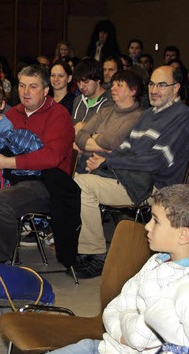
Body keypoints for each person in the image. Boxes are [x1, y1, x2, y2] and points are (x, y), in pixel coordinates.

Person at [9, 184, 189, 354]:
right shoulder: (157, 261)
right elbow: (114, 307)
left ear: (183, 234)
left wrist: (126, 320)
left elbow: (137, 337)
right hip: (108, 344)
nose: (147, 226)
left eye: (155, 220)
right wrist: (124, 325)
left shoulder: (181, 283)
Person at [72, 65, 189, 278]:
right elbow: (125, 149)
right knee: (78, 178)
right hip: (130, 178)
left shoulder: (181, 115)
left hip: (155, 187)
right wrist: (104, 160)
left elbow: (157, 161)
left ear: (176, 88)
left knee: (82, 185)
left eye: (162, 85)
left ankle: (95, 254)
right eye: (152, 84)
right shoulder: (148, 115)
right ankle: (80, 246)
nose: (154, 89)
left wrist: (109, 162)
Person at [0, 64, 75, 265]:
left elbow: (51, 157)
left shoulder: (58, 115)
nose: (25, 92)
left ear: (46, 90)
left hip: (45, 182)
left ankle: (4, 259)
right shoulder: (11, 114)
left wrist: (8, 161)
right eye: (22, 85)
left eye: (33, 86)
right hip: (7, 176)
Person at [74, 70, 143, 173]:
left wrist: (94, 136)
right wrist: (104, 149)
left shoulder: (138, 117)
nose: (112, 88)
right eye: (113, 84)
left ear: (133, 90)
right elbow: (80, 136)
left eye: (119, 85)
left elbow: (113, 141)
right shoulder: (105, 111)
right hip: (86, 162)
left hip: (110, 170)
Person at [72, 57, 114, 131]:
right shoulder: (77, 100)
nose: (81, 86)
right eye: (78, 82)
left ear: (98, 79)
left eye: (86, 81)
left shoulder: (110, 102)